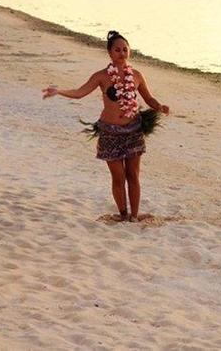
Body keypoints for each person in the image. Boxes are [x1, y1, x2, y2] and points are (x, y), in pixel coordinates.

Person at [42, 31, 169, 222]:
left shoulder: (136, 75)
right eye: (117, 50)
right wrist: (59, 91)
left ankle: (134, 217)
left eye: (125, 49)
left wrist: (159, 106)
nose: (121, 53)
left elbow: (148, 98)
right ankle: (123, 214)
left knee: (133, 175)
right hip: (110, 132)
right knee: (118, 177)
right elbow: (79, 92)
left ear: (130, 52)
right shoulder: (101, 76)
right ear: (110, 53)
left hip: (133, 131)